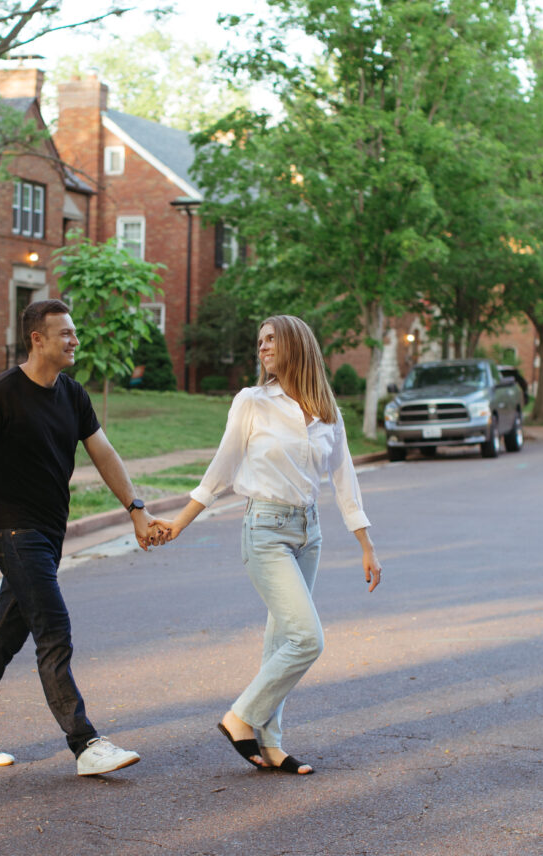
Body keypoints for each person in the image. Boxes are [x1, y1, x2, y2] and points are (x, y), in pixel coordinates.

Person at [149, 314, 381, 775]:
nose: (263, 347)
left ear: (297, 344)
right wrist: (180, 522)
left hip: (309, 533)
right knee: (307, 639)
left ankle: (271, 744)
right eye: (259, 341)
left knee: (282, 643)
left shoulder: (324, 408)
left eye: (271, 339)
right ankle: (240, 717)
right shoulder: (252, 402)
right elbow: (221, 469)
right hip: (266, 531)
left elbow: (343, 478)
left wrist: (365, 543)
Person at [0, 299, 162, 776]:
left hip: (49, 532)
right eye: (66, 333)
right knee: (53, 630)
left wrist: (136, 510)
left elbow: (105, 454)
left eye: (74, 332)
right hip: (14, 531)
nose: (75, 341)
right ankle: (85, 744)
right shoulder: (0, 393)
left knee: (5, 634)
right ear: (37, 338)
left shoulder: (73, 395)